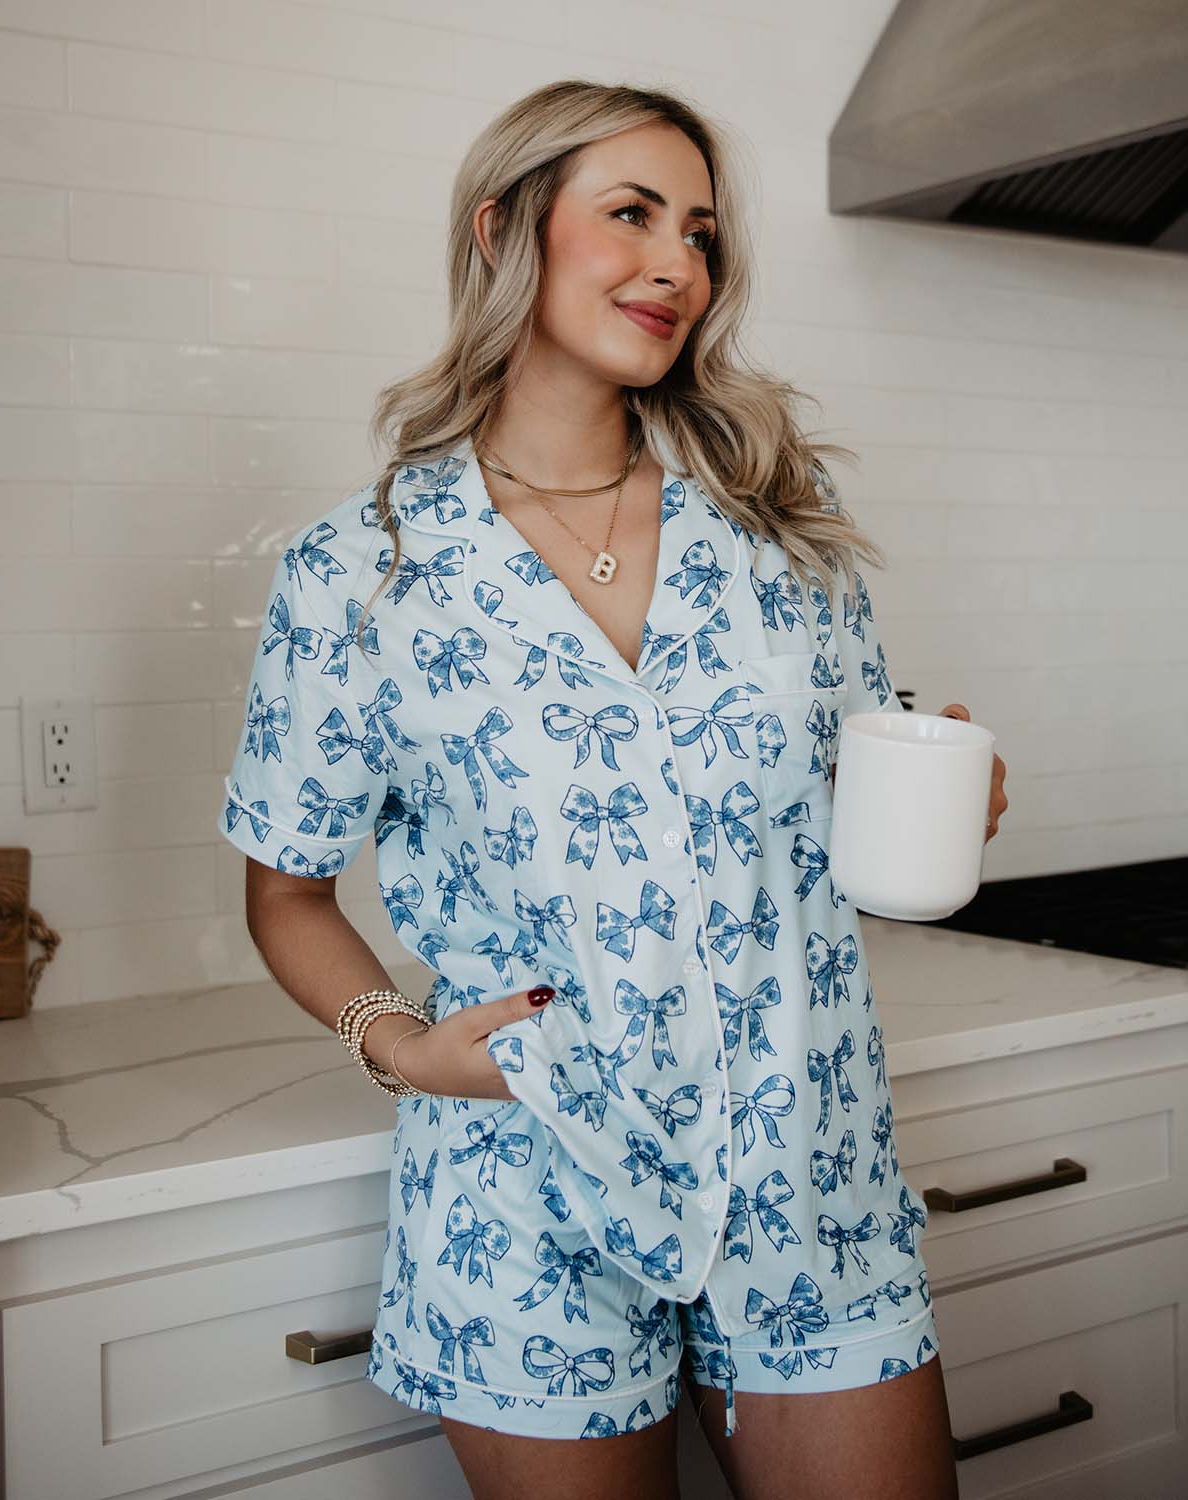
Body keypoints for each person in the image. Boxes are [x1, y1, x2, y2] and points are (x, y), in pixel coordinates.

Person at [218, 79, 1007, 1500]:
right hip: (524, 1189)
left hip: (803, 1176)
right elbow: (285, 887)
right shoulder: (365, 572)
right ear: (504, 230)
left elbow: (838, 807)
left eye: (700, 235)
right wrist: (398, 1045)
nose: (676, 267)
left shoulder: (778, 523)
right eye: (632, 216)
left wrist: (936, 788)